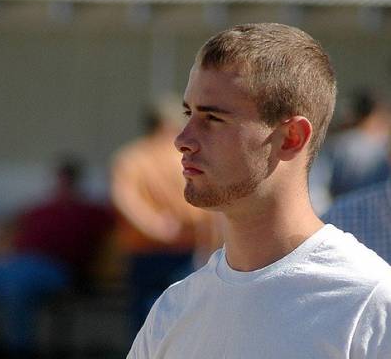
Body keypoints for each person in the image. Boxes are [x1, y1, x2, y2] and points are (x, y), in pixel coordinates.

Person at [127, 23, 391, 358]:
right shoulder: (173, 312)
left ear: (292, 137)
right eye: (188, 113)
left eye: (213, 119)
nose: (182, 140)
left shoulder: (370, 306)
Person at [0, 156, 114, 356]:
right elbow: (6, 222)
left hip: (58, 269)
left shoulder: (89, 211)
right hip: (20, 262)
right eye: (59, 181)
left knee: (14, 285)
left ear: (76, 183)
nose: (62, 187)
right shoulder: (41, 209)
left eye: (66, 182)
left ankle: (20, 348)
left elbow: (118, 217)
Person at [111, 97, 223, 334]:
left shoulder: (131, 158)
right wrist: (212, 246)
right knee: (184, 321)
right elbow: (211, 208)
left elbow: (125, 201)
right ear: (167, 124)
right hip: (186, 249)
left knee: (145, 325)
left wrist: (155, 228)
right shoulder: (188, 158)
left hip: (145, 251)